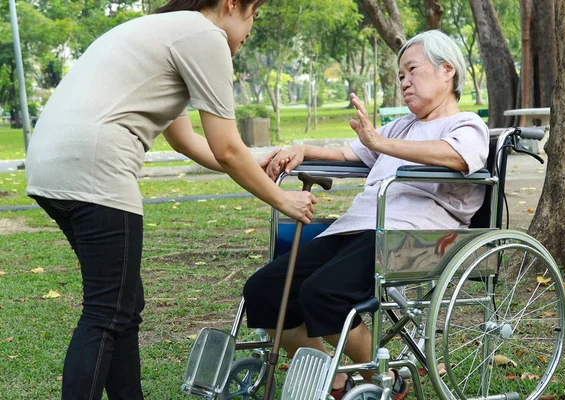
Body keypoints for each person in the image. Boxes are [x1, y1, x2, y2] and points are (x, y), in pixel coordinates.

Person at [24, 1, 317, 399]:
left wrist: (254, 158)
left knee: (122, 305)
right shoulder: (205, 36)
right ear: (231, 4)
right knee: (108, 311)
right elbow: (226, 149)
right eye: (254, 14)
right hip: (96, 164)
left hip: (51, 166)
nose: (251, 29)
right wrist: (283, 200)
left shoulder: (166, 30)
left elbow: (185, 140)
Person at [243, 30, 489, 400]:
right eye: (400, 76)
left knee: (322, 294)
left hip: (415, 237)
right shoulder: (403, 127)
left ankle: (384, 374)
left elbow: (456, 157)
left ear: (447, 71)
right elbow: (351, 154)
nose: (404, 82)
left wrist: (380, 142)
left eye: (411, 70)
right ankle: (334, 377)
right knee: (263, 290)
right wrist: (302, 148)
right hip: (357, 228)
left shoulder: (466, 125)